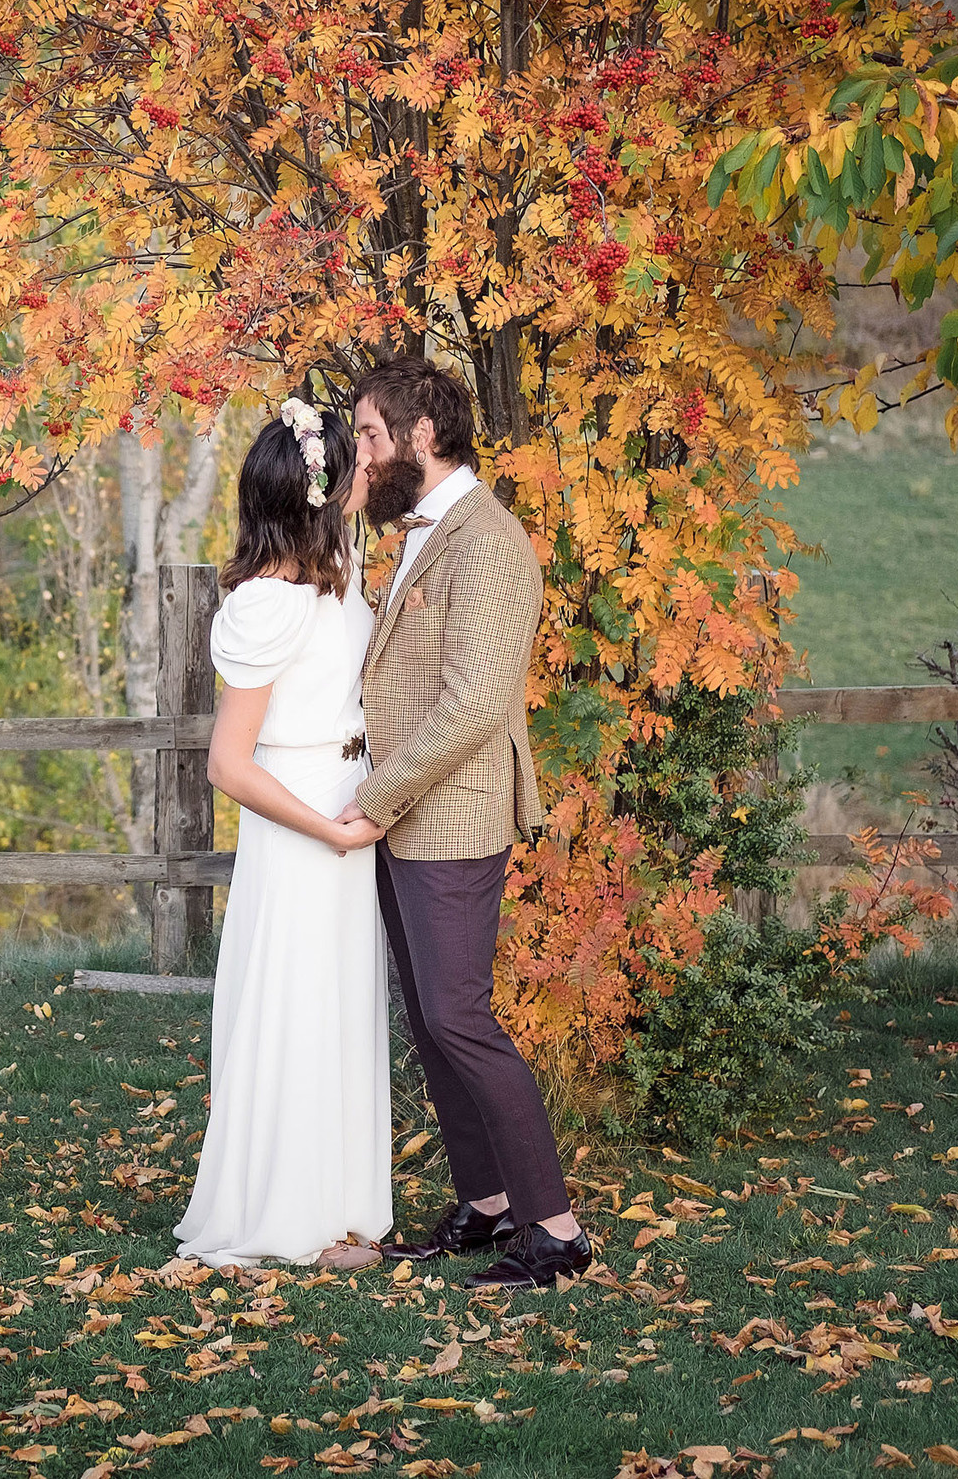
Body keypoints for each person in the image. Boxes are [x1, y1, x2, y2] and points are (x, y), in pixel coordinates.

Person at [340, 357, 595, 1292]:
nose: (360, 453)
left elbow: (473, 706)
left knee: (461, 1017)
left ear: (421, 434)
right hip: (409, 812)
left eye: (370, 435)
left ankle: (556, 1229)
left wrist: (374, 798)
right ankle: (487, 1203)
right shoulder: (419, 530)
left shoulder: (487, 543)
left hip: (448, 812)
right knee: (431, 1020)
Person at [173, 397, 391, 1272]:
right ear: (320, 494)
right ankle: (285, 1215)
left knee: (341, 1006)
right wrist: (329, 833)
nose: (364, 480)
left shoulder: (338, 571)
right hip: (301, 818)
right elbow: (229, 763)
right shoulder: (267, 604)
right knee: (297, 1007)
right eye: (352, 471)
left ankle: (341, 1208)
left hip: (351, 802)